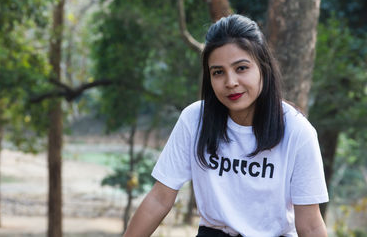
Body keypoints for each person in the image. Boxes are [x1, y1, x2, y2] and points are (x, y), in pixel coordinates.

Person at [123, 14, 329, 237]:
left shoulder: (297, 132)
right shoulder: (195, 120)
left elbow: (309, 225)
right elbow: (159, 199)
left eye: (241, 68)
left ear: (263, 68)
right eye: (218, 72)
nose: (230, 82)